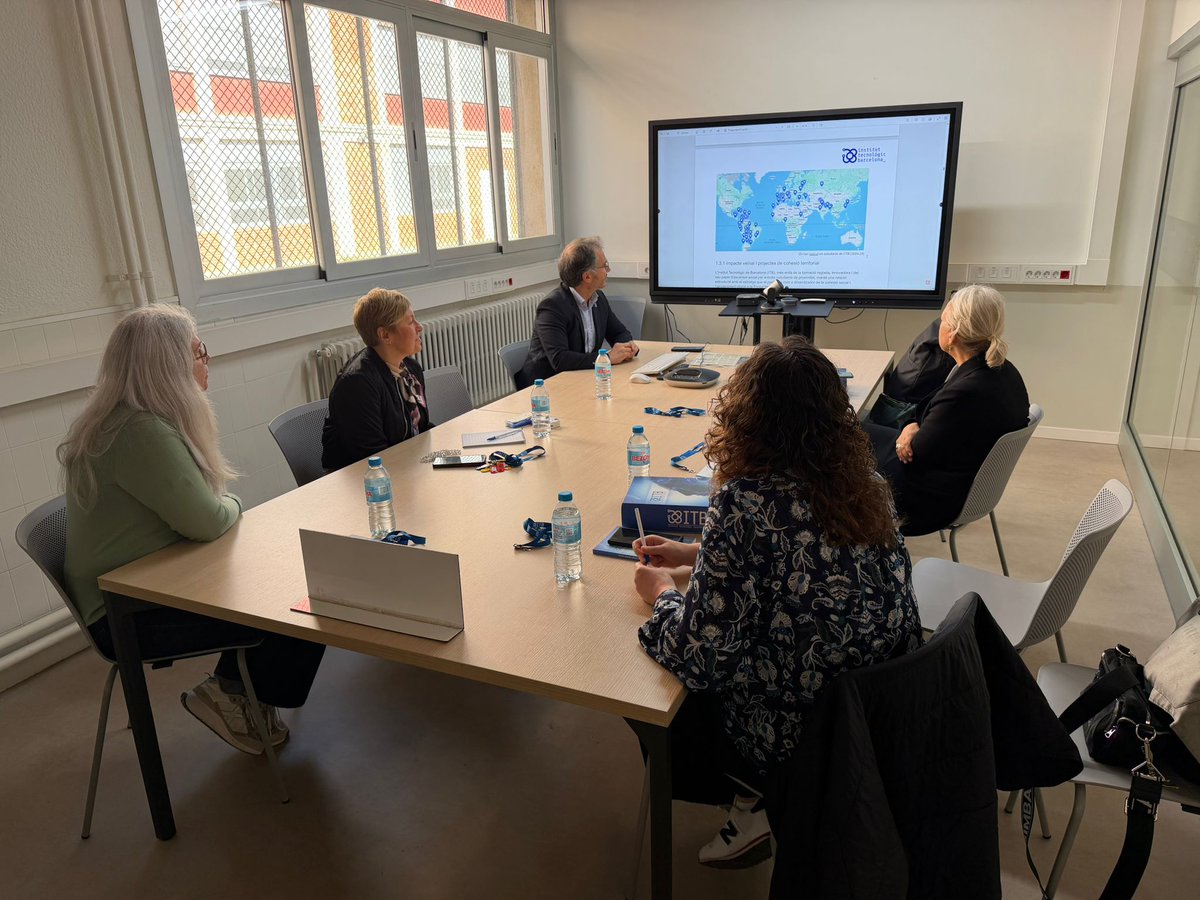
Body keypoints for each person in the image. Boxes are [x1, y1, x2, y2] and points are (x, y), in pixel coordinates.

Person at [631, 336, 923, 869]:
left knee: (646, 690)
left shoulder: (744, 502)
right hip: (879, 710)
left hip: (805, 733)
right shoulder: (867, 485)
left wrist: (664, 595)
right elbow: (802, 559)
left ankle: (755, 797)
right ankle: (757, 805)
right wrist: (698, 554)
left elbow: (702, 656)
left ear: (746, 417)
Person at [59, 305, 325, 755]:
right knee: (304, 595)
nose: (207, 361)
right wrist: (235, 502)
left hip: (152, 582)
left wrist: (220, 510)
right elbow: (206, 520)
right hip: (126, 615)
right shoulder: (140, 431)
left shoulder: (126, 420)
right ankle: (232, 693)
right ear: (169, 365)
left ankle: (236, 686)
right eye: (199, 352)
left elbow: (196, 519)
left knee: (289, 578)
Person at [866, 284, 1030, 536]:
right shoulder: (1003, 371)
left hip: (924, 501)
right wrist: (912, 426)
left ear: (952, 334)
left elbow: (914, 454)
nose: (938, 326)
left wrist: (909, 434)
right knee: (855, 429)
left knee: (843, 439)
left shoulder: (966, 392)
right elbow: (929, 418)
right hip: (958, 479)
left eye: (942, 320)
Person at [321, 288, 431, 471]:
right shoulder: (357, 384)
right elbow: (373, 458)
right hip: (364, 484)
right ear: (385, 335)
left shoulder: (411, 370)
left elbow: (421, 429)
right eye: (410, 322)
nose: (419, 327)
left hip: (404, 466)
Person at [518, 236, 639, 386]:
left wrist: (627, 346)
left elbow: (619, 332)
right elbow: (560, 359)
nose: (609, 270)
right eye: (605, 265)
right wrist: (607, 358)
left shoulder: (598, 298)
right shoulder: (552, 307)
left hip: (581, 379)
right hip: (547, 388)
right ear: (587, 276)